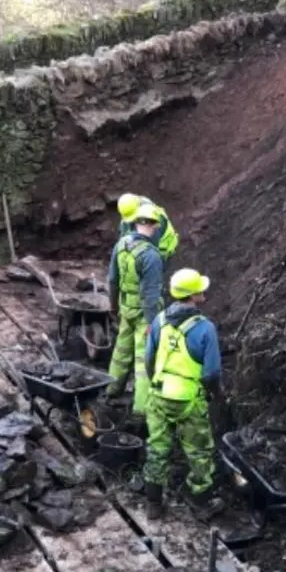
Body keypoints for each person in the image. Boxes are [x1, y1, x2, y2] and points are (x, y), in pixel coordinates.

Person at [143, 268, 225, 521]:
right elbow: (211, 373)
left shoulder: (158, 320)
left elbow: (149, 360)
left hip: (158, 395)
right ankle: (200, 502)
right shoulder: (205, 329)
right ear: (195, 295)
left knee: (157, 446)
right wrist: (216, 396)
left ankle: (153, 504)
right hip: (189, 400)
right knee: (199, 451)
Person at [106, 203, 164, 419]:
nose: (157, 228)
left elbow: (112, 280)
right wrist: (151, 324)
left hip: (125, 309)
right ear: (151, 225)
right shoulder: (151, 256)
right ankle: (140, 410)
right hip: (142, 315)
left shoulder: (122, 244)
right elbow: (150, 295)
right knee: (143, 361)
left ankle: (111, 390)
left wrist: (113, 307)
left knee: (121, 352)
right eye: (155, 224)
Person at [117, 193, 179, 261]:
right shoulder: (133, 205)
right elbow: (124, 235)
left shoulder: (153, 222)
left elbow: (151, 250)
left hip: (163, 250)